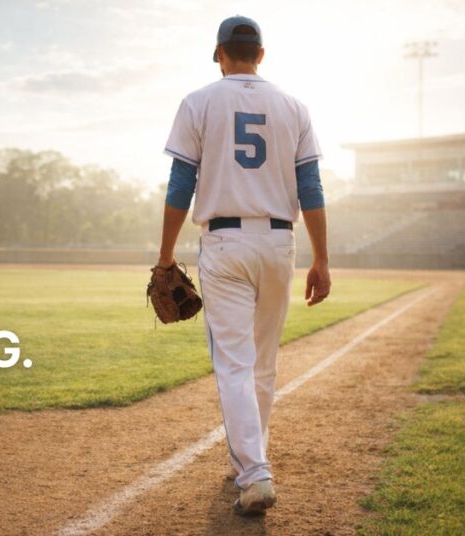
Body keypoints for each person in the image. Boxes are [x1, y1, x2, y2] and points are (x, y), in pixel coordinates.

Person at [155, 15, 332, 516]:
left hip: (225, 243)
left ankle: (254, 472)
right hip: (280, 243)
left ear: (219, 53)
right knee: (263, 364)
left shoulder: (199, 102)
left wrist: (166, 256)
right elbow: (312, 189)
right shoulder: (293, 106)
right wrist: (322, 258)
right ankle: (250, 463)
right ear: (261, 54)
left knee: (233, 362)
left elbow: (179, 186)